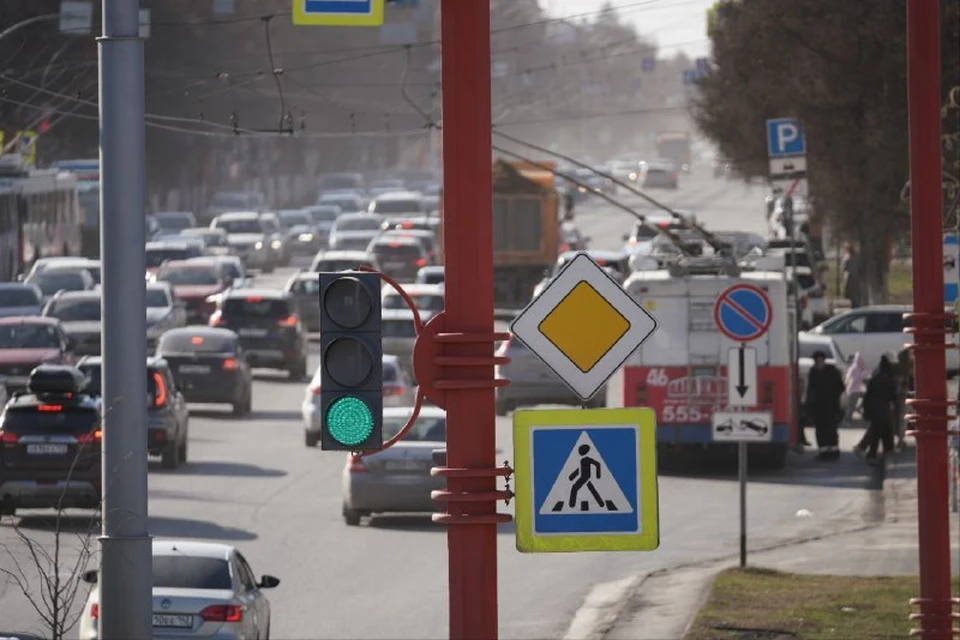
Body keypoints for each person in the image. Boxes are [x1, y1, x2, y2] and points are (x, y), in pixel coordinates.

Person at [804, 350, 845, 461]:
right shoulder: (813, 372)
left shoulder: (832, 371)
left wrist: (838, 402)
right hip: (818, 407)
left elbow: (841, 387)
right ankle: (823, 452)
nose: (817, 362)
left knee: (831, 429)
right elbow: (810, 390)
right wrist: (809, 405)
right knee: (821, 430)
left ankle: (834, 452)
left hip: (831, 406)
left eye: (818, 360)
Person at [859, 354, 899, 465]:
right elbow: (893, 395)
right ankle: (878, 454)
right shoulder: (889, 378)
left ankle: (874, 454)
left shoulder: (876, 377)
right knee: (883, 431)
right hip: (884, 408)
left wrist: (866, 409)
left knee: (878, 431)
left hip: (874, 407)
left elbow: (868, 394)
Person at [842, 352, 867, 428]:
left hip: (854, 390)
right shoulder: (855, 368)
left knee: (853, 406)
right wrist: (863, 375)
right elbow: (856, 379)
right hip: (853, 390)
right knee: (851, 407)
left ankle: (850, 417)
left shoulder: (856, 367)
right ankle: (846, 421)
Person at [841, 242, 862, 308]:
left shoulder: (848, 257)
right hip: (857, 278)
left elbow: (844, 268)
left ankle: (855, 306)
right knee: (856, 296)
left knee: (853, 296)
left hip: (852, 278)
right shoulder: (858, 256)